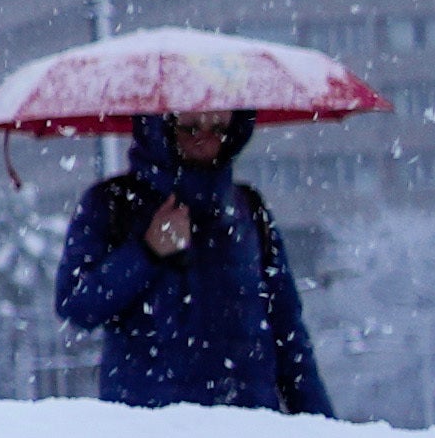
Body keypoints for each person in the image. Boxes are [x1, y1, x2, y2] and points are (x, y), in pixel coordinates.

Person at [53, 107, 331, 415]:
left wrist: (322, 429)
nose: (206, 140)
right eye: (189, 127)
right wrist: (146, 252)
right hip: (149, 433)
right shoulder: (112, 204)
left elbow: (288, 332)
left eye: (219, 128)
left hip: (249, 433)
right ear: (158, 128)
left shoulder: (247, 209)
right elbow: (76, 304)